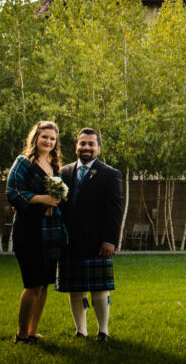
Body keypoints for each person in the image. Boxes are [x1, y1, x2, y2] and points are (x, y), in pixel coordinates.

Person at [55, 128, 124, 342]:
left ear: (98, 148)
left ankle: (103, 330)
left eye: (91, 144)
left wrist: (109, 240)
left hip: (97, 242)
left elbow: (114, 210)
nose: (86, 147)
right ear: (76, 146)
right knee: (75, 290)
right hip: (69, 241)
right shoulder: (63, 172)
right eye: (82, 143)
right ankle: (80, 330)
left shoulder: (110, 174)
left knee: (99, 289)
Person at [6, 120, 68, 344]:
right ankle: (21, 334)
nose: (48, 142)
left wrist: (58, 200)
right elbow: (13, 192)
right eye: (44, 137)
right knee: (32, 283)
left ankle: (33, 331)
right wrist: (42, 198)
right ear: (35, 138)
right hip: (28, 230)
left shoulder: (55, 167)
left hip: (50, 232)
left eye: (52, 139)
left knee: (43, 284)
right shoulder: (23, 162)